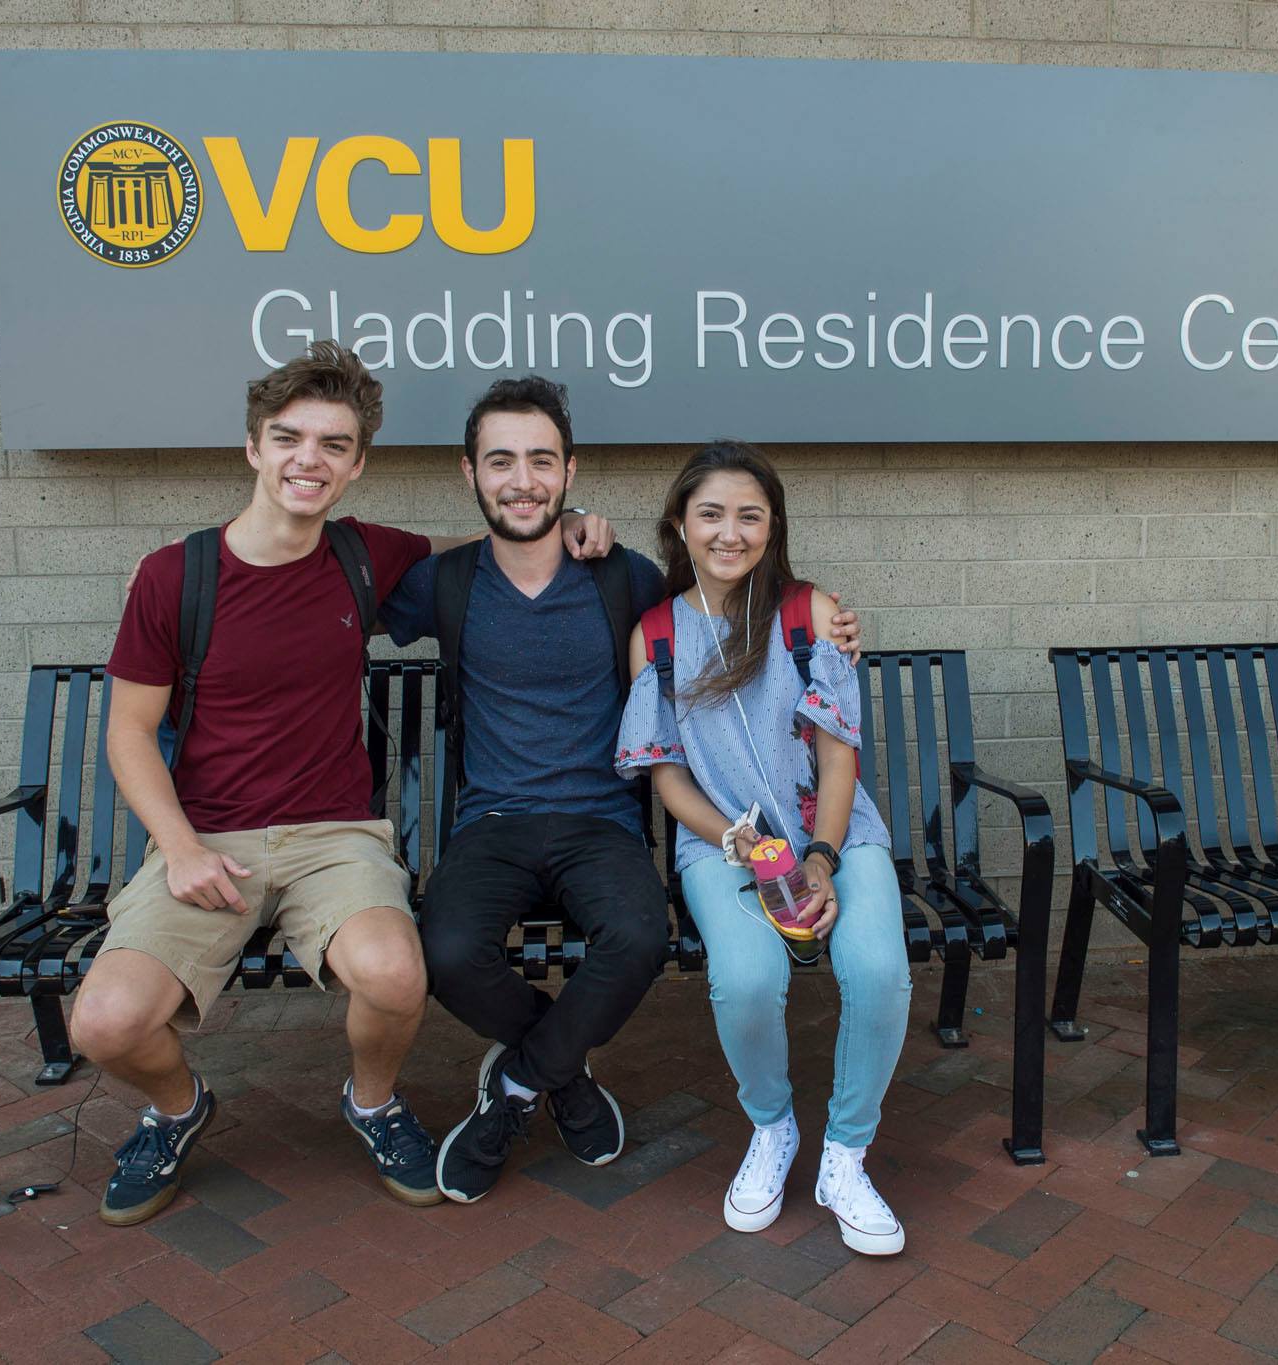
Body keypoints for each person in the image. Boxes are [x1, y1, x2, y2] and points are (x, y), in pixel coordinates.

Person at [74, 343, 610, 1225]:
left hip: (338, 837)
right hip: (210, 840)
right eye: (290, 438)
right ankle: (176, 1109)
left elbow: (493, 546)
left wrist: (576, 518)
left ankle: (373, 1103)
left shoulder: (365, 558)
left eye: (333, 445)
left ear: (357, 464)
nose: (308, 460)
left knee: (399, 973)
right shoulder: (178, 576)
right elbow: (129, 731)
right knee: (103, 1022)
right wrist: (176, 847)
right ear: (254, 447)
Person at [378, 377, 862, 1205]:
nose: (521, 479)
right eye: (501, 462)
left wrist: (831, 623)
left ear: (570, 470)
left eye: (540, 460)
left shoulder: (622, 577)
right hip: (492, 820)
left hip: (601, 821)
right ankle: (560, 1075)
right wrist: (179, 567)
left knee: (639, 939)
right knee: (446, 952)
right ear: (470, 474)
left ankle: (518, 1087)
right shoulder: (444, 583)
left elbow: (731, 590)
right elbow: (330, 580)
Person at [615, 440, 910, 1256]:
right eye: (711, 513)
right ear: (681, 522)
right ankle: (772, 1127)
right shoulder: (657, 636)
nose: (729, 532)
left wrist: (819, 856)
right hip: (721, 844)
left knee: (880, 970)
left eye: (750, 514)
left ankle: (845, 1154)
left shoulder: (808, 612)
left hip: (835, 830)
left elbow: (839, 752)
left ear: (773, 524)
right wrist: (733, 839)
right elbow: (667, 780)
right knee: (746, 977)